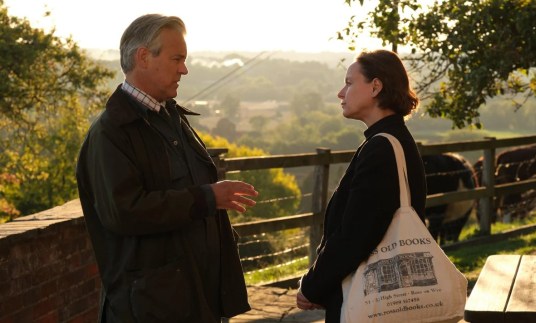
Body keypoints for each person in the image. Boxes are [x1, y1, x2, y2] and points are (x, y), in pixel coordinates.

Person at [76, 14, 258, 323]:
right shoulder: (111, 133)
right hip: (150, 309)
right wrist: (207, 198)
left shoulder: (171, 117)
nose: (184, 69)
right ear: (144, 57)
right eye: (177, 59)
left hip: (193, 302)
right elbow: (124, 211)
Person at [296, 49, 427, 322]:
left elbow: (355, 234)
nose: (340, 93)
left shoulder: (381, 148)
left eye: (349, 82)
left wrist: (312, 286)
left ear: (376, 86)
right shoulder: (392, 139)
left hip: (375, 301)